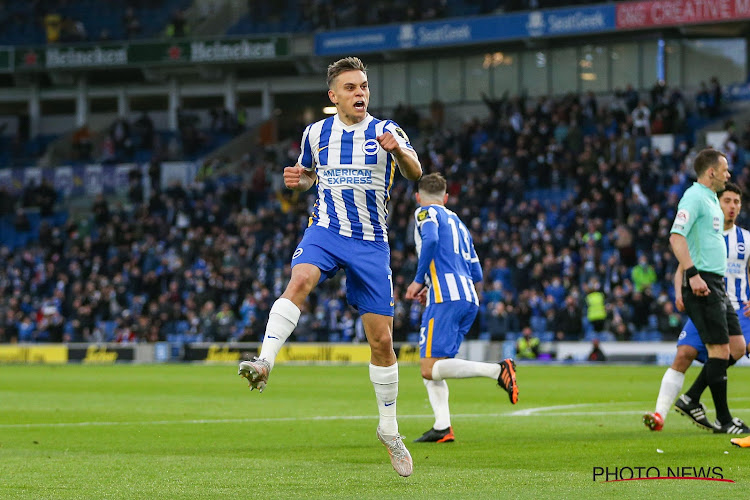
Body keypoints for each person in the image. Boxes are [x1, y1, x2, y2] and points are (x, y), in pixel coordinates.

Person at [236, 57, 422, 477]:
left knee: (382, 342)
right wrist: (297, 179)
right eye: (352, 88)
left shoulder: (385, 131)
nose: (361, 93)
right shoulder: (315, 133)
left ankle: (389, 430)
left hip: (370, 242)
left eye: (364, 86)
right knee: (299, 279)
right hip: (325, 229)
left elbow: (416, 171)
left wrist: (401, 153)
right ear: (333, 96)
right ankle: (265, 361)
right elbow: (308, 175)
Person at [404, 173, 518, 444]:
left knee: (428, 368)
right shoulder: (459, 224)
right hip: (466, 296)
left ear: (419, 197)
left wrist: (419, 281)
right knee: (436, 365)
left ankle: (498, 370)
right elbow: (477, 271)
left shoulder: (424, 213)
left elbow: (430, 242)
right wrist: (431, 287)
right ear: (446, 198)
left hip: (446, 297)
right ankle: (442, 426)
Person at [647, 149, 748, 435]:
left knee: (737, 347)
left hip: (718, 285)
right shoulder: (693, 197)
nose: (728, 174)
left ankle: (692, 398)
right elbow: (676, 236)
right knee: (718, 350)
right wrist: (692, 275)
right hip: (703, 284)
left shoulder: (710, 201)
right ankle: (725, 420)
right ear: (711, 171)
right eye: (725, 169)